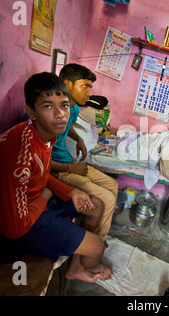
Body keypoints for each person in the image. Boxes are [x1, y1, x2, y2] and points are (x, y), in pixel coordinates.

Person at [0, 72, 112, 283]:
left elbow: (41, 174)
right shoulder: (18, 152)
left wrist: (70, 191)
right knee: (96, 248)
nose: (60, 114)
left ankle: (74, 268)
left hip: (32, 203)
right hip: (4, 226)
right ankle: (90, 265)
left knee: (96, 206)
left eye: (64, 106)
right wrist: (46, 197)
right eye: (48, 106)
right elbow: (14, 228)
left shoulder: (43, 135)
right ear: (32, 111)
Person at [51, 63, 118, 243]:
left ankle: (96, 239)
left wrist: (79, 139)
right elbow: (40, 161)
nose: (89, 93)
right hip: (61, 169)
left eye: (90, 87)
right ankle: (92, 245)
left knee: (113, 185)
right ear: (68, 84)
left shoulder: (72, 109)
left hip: (69, 164)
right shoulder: (52, 113)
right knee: (107, 199)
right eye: (85, 86)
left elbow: (68, 127)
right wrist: (71, 168)